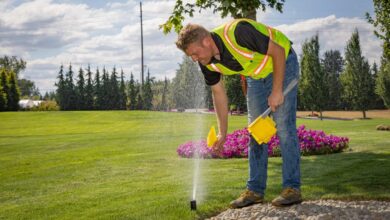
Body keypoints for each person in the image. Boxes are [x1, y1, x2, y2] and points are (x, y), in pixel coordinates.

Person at [176, 18, 301, 208]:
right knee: (255, 133)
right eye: (190, 56)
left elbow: (278, 51)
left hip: (283, 61)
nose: (194, 59)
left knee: (284, 127)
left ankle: (292, 189)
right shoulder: (206, 62)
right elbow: (218, 94)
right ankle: (255, 191)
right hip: (256, 75)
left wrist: (276, 91)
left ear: (207, 41)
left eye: (195, 53)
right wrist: (222, 133)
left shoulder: (238, 32)